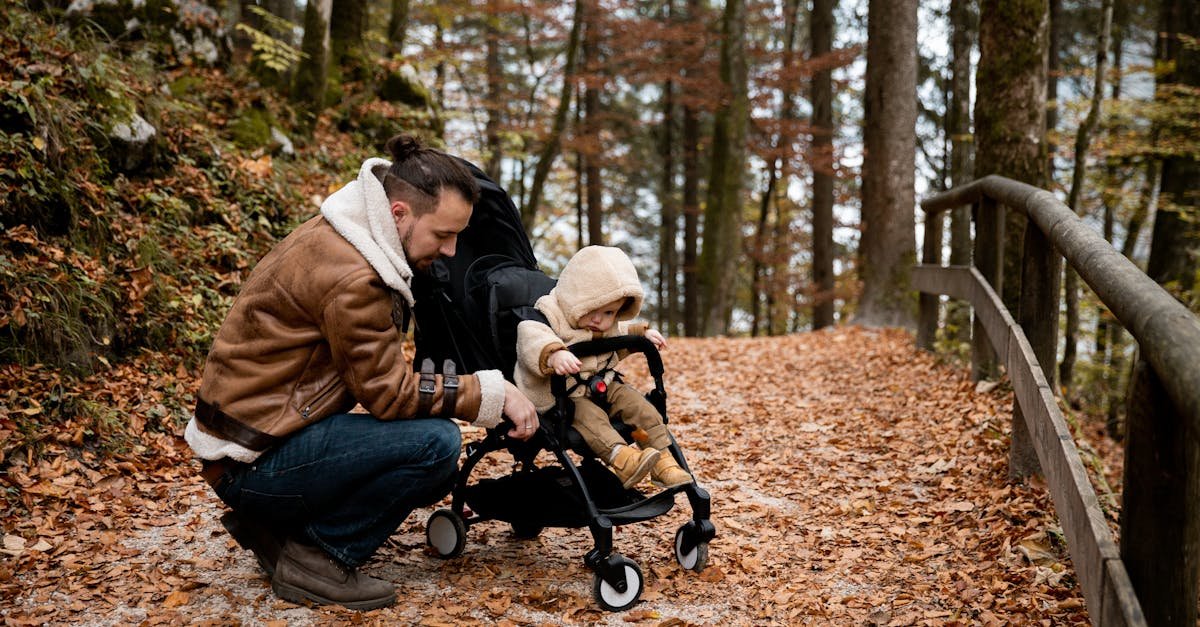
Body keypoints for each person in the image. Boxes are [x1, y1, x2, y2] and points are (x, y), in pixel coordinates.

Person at [185, 134, 539, 611]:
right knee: (436, 446)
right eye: (443, 234)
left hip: (250, 443)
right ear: (399, 213)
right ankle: (319, 555)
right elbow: (390, 395)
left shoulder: (343, 232)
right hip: (250, 465)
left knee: (431, 458)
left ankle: (276, 530)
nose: (453, 251)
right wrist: (493, 394)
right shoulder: (355, 276)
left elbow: (379, 378)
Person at [513, 245, 694, 490]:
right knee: (591, 417)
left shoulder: (604, 324)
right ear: (575, 298)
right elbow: (531, 336)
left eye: (609, 312)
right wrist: (553, 353)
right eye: (592, 310)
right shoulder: (549, 313)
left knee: (639, 405)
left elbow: (619, 333)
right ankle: (623, 460)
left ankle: (663, 461)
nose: (600, 320)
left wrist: (642, 334)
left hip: (602, 384)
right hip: (565, 397)